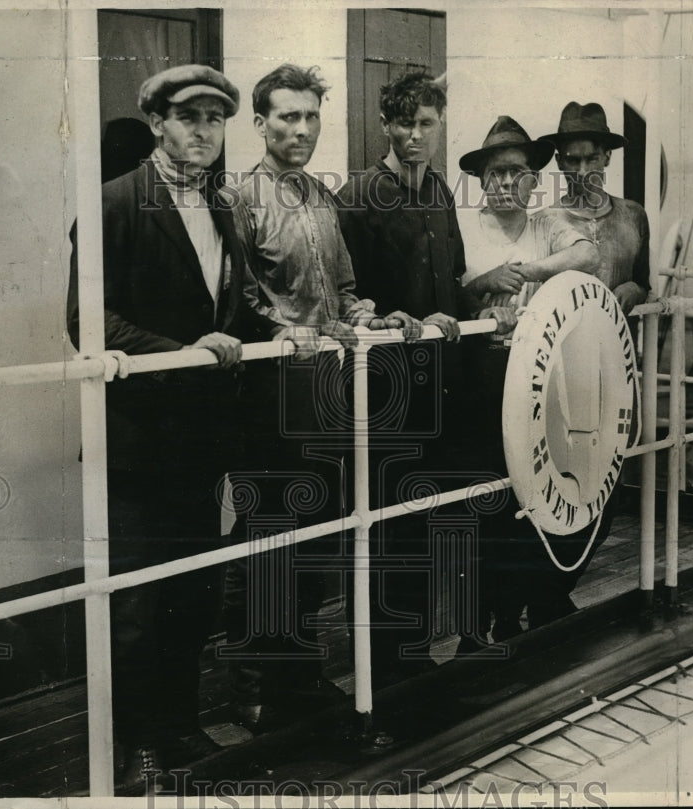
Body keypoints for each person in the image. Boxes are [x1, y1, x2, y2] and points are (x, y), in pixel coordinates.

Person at [66, 64, 270, 793]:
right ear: (157, 123)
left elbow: (232, 314)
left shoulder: (221, 209)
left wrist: (315, 329)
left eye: (216, 119)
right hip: (138, 444)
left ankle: (180, 721)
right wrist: (183, 355)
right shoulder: (115, 204)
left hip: (204, 441)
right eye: (189, 117)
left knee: (196, 592)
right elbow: (90, 322)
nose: (204, 132)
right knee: (138, 608)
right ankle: (138, 746)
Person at [224, 64, 409, 734]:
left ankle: (299, 678)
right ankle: (253, 690)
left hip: (328, 396)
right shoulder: (237, 198)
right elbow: (238, 299)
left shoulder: (323, 199)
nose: (301, 130)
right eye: (287, 117)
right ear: (260, 123)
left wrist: (366, 314)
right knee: (264, 544)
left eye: (310, 117)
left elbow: (345, 286)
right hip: (268, 398)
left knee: (315, 544)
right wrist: (290, 330)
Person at [337, 72, 515, 687]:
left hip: (446, 388)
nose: (415, 135)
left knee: (449, 522)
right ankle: (388, 675)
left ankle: (437, 653)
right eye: (404, 123)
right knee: (391, 536)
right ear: (385, 124)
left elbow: (453, 283)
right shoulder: (358, 196)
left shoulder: (439, 190)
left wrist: (482, 307)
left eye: (427, 124)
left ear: (439, 127)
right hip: (388, 394)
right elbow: (348, 296)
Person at [453, 115, 601, 650]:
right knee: (485, 504)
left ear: (534, 179)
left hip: (541, 386)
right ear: (481, 180)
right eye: (494, 173)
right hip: (480, 385)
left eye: (516, 172)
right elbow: (447, 288)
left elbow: (588, 254)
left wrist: (531, 272)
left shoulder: (547, 224)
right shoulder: (464, 227)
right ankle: (481, 623)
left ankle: (529, 603)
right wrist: (480, 285)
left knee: (544, 494)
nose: (504, 183)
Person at [539, 101, 650, 316]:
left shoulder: (634, 216)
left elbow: (643, 283)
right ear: (559, 161)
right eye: (573, 161)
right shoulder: (542, 221)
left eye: (592, 159)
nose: (582, 172)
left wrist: (635, 289)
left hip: (619, 345)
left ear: (607, 157)